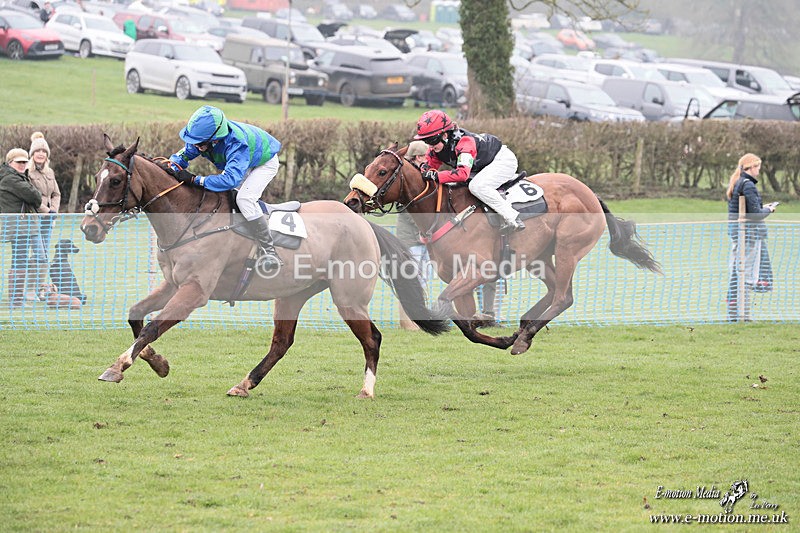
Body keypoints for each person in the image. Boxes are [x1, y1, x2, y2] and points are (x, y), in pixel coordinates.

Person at [168, 105, 283, 270]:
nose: (196, 146)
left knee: (244, 199)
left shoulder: (237, 144)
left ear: (215, 139)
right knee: (226, 198)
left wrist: (195, 179)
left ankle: (270, 251)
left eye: (200, 143)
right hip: (244, 161)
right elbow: (185, 154)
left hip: (264, 162)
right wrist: (172, 165)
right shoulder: (202, 138)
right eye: (194, 141)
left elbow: (230, 180)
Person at [412, 109, 524, 233]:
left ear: (444, 135)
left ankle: (513, 218)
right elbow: (428, 168)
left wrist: (437, 176)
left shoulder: (465, 143)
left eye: (432, 140)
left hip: (501, 160)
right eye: (426, 141)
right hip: (482, 165)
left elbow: (462, 174)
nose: (430, 146)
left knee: (477, 187)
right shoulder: (437, 148)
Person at [725, 153, 777, 321]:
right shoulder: (748, 185)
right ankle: (743, 315)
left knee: (737, 272)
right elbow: (755, 214)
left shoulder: (738, 182)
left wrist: (762, 207)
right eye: (758, 167)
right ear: (752, 167)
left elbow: (750, 209)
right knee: (745, 274)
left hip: (739, 233)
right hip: (748, 234)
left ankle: (737, 313)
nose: (759, 171)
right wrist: (768, 210)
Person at [1, 148, 43, 309]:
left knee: (19, 261)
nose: (22, 165)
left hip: (20, 225)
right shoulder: (12, 179)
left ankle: (16, 298)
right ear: (10, 163)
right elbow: (35, 197)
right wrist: (34, 194)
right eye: (18, 162)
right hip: (18, 226)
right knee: (19, 261)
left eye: (25, 162)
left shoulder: (15, 176)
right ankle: (16, 300)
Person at [25, 131, 61, 301]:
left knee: (44, 256)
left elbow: (56, 193)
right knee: (40, 256)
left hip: (48, 221)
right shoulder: (27, 173)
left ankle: (37, 289)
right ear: (32, 154)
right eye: (38, 151)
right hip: (33, 220)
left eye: (44, 151)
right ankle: (30, 290)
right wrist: (46, 211)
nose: (41, 154)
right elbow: (30, 197)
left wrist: (53, 210)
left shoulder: (50, 172)